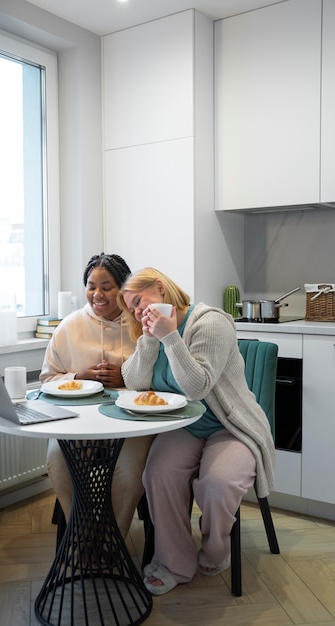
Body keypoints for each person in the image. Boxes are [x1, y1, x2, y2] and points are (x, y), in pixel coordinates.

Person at [118, 267, 276, 595]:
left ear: (160, 289)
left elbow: (196, 386)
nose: (136, 311)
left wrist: (171, 336)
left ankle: (216, 551)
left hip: (230, 425)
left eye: (138, 300)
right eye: (131, 308)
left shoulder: (210, 322)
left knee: (218, 484)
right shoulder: (151, 331)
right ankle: (175, 561)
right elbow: (133, 382)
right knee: (157, 474)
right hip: (185, 426)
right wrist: (149, 338)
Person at [40, 253, 154, 539]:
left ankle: (112, 541)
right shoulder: (68, 327)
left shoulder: (142, 325)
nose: (97, 294)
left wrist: (126, 376)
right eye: (91, 286)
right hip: (78, 423)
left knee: (129, 473)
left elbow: (162, 381)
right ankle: (81, 535)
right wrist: (79, 377)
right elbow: (47, 379)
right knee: (58, 459)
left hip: (132, 425)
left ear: (124, 289)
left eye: (107, 286)